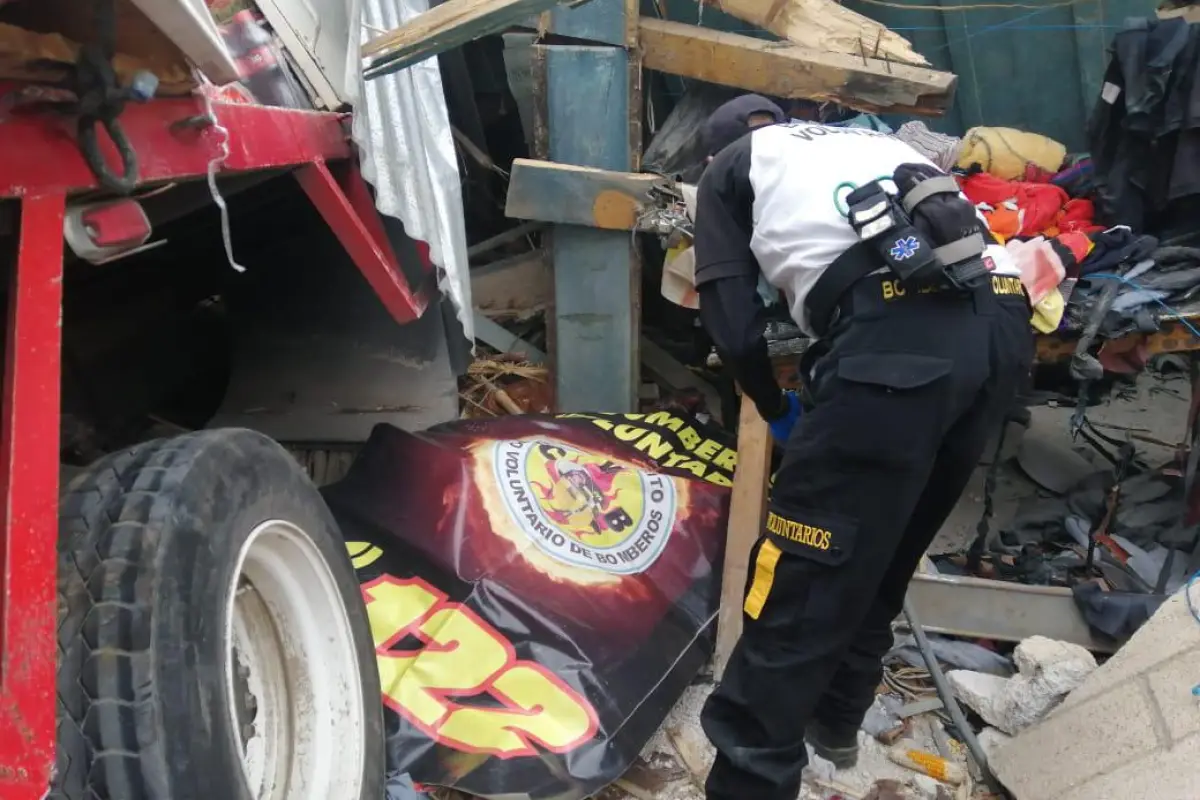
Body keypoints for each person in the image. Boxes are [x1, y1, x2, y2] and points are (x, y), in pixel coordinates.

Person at [691, 95, 1034, 800]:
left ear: (713, 153)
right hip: (1001, 326)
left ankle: (750, 781)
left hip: (897, 345)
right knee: (889, 545)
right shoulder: (868, 143)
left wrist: (775, 405)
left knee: (801, 580)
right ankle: (836, 723)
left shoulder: (729, 168)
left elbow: (733, 326)